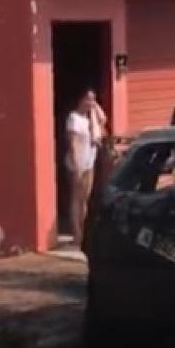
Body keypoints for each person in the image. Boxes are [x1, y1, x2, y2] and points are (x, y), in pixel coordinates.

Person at [65, 87, 108, 248]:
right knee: (76, 199)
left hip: (90, 161)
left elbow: (104, 119)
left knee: (85, 199)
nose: (90, 102)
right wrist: (76, 166)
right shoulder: (74, 118)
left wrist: (95, 105)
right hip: (78, 163)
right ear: (80, 100)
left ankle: (83, 231)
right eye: (88, 99)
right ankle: (76, 234)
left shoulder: (92, 118)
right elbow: (73, 143)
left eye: (93, 99)